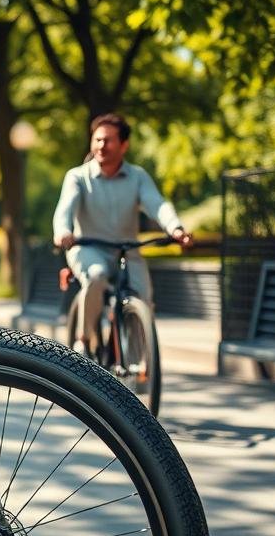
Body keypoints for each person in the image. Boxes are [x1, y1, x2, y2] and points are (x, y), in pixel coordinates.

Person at [53, 113, 193, 357]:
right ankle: (83, 341)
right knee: (96, 277)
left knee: (144, 303)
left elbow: (157, 205)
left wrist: (175, 229)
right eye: (97, 140)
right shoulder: (77, 177)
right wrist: (63, 232)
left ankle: (138, 363)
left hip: (128, 252)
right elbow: (64, 209)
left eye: (108, 140)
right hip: (88, 248)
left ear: (124, 145)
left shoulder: (138, 176)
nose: (100, 146)